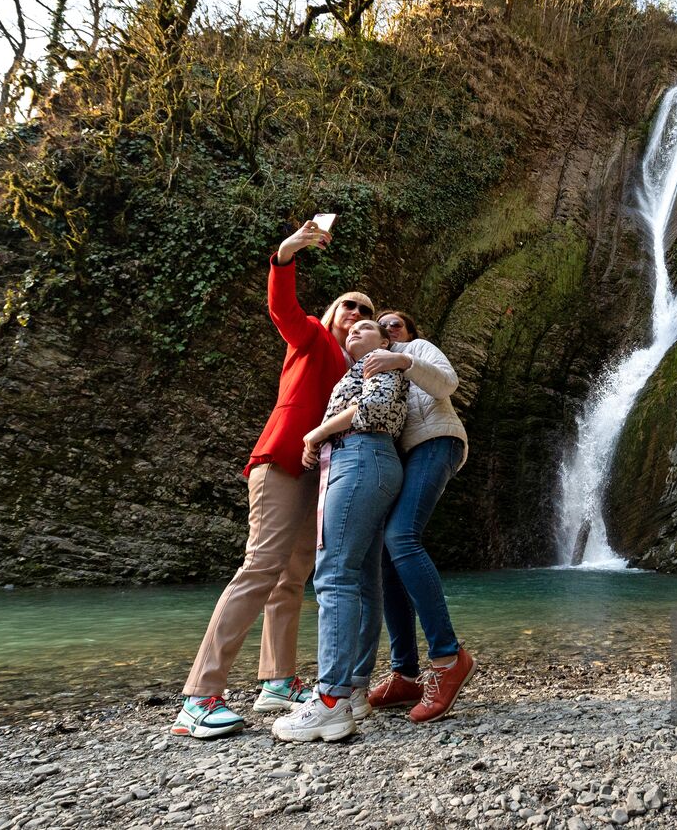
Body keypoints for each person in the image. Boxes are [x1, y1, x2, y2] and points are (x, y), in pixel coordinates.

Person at [175, 222, 372, 739]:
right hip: (282, 461)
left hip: (319, 475)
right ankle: (198, 697)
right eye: (349, 305)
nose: (357, 314)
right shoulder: (310, 336)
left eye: (367, 312)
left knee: (293, 577)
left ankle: (278, 681)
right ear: (332, 314)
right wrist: (286, 254)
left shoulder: (359, 375)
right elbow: (282, 308)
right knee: (260, 567)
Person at [272, 318, 409, 742]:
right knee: (364, 580)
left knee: (333, 576)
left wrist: (317, 433)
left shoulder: (380, 362)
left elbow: (372, 409)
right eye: (351, 329)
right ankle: (352, 690)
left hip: (359, 459)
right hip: (370, 462)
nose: (355, 331)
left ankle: (330, 700)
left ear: (385, 341)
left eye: (367, 327)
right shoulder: (363, 366)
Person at [354, 310, 474, 723]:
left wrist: (403, 359)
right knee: (387, 555)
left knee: (402, 537)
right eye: (381, 324)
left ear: (408, 334)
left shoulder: (415, 351)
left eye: (396, 324)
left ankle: (447, 657)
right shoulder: (366, 369)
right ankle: (405, 673)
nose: (388, 328)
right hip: (401, 458)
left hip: (436, 442)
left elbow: (447, 384)